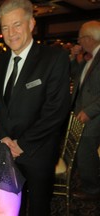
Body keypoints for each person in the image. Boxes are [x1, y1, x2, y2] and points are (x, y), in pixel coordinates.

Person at [0, 0, 70, 215]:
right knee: (8, 206)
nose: (11, 32)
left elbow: (56, 110)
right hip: (6, 149)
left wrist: (23, 143)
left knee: (38, 208)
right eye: (5, 27)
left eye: (17, 24)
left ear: (31, 23)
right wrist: (4, 139)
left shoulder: (54, 58)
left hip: (38, 151)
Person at [71, 20, 100, 200]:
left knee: (86, 153)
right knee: (84, 152)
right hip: (84, 113)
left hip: (94, 117)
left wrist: (90, 111)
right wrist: (75, 58)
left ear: (89, 38)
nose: (79, 42)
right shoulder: (91, 57)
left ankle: (92, 190)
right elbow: (76, 77)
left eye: (81, 38)